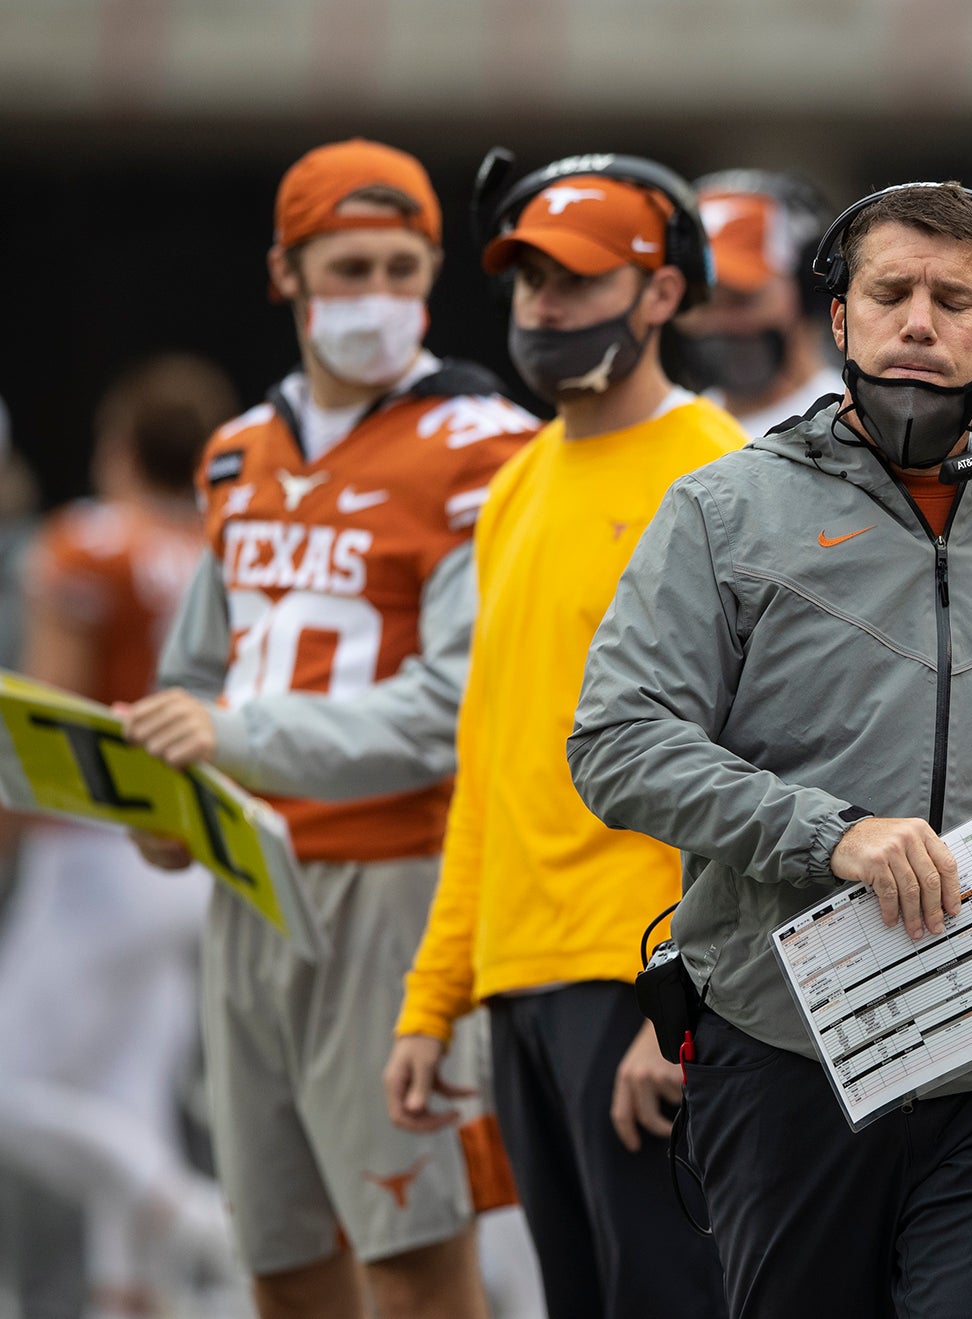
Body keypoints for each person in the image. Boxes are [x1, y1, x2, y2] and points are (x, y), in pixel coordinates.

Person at [568, 180, 972, 1318]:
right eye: (889, 291)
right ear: (839, 318)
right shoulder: (723, 510)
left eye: (954, 300)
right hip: (786, 1042)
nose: (918, 321)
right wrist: (831, 836)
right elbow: (616, 741)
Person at [121, 138, 537, 1319]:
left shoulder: (480, 444)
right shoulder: (237, 451)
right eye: (350, 265)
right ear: (284, 273)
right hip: (248, 884)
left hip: (392, 884)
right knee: (282, 1260)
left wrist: (227, 735)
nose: (380, 297)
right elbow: (196, 670)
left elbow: (449, 710)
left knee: (410, 1264)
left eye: (404, 268)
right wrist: (166, 794)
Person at [384, 151, 743, 1319]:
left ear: (661, 293)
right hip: (519, 977)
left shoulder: (724, 473)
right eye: (528, 277)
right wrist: (433, 995)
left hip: (636, 976)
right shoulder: (517, 484)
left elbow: (760, 756)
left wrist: (686, 992)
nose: (544, 304)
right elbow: (485, 760)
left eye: (579, 279)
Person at [0, 354, 236, 1316]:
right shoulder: (222, 550)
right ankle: (133, 1292)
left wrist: (10, 829)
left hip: (93, 851)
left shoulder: (90, 542)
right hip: (188, 849)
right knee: (128, 1095)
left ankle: (179, 1208)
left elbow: (50, 714)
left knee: (11, 1091)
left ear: (121, 447)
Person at [677, 169, 841, 435]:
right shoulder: (677, 432)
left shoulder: (855, 430)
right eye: (702, 301)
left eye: (741, 299)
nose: (718, 322)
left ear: (812, 292)